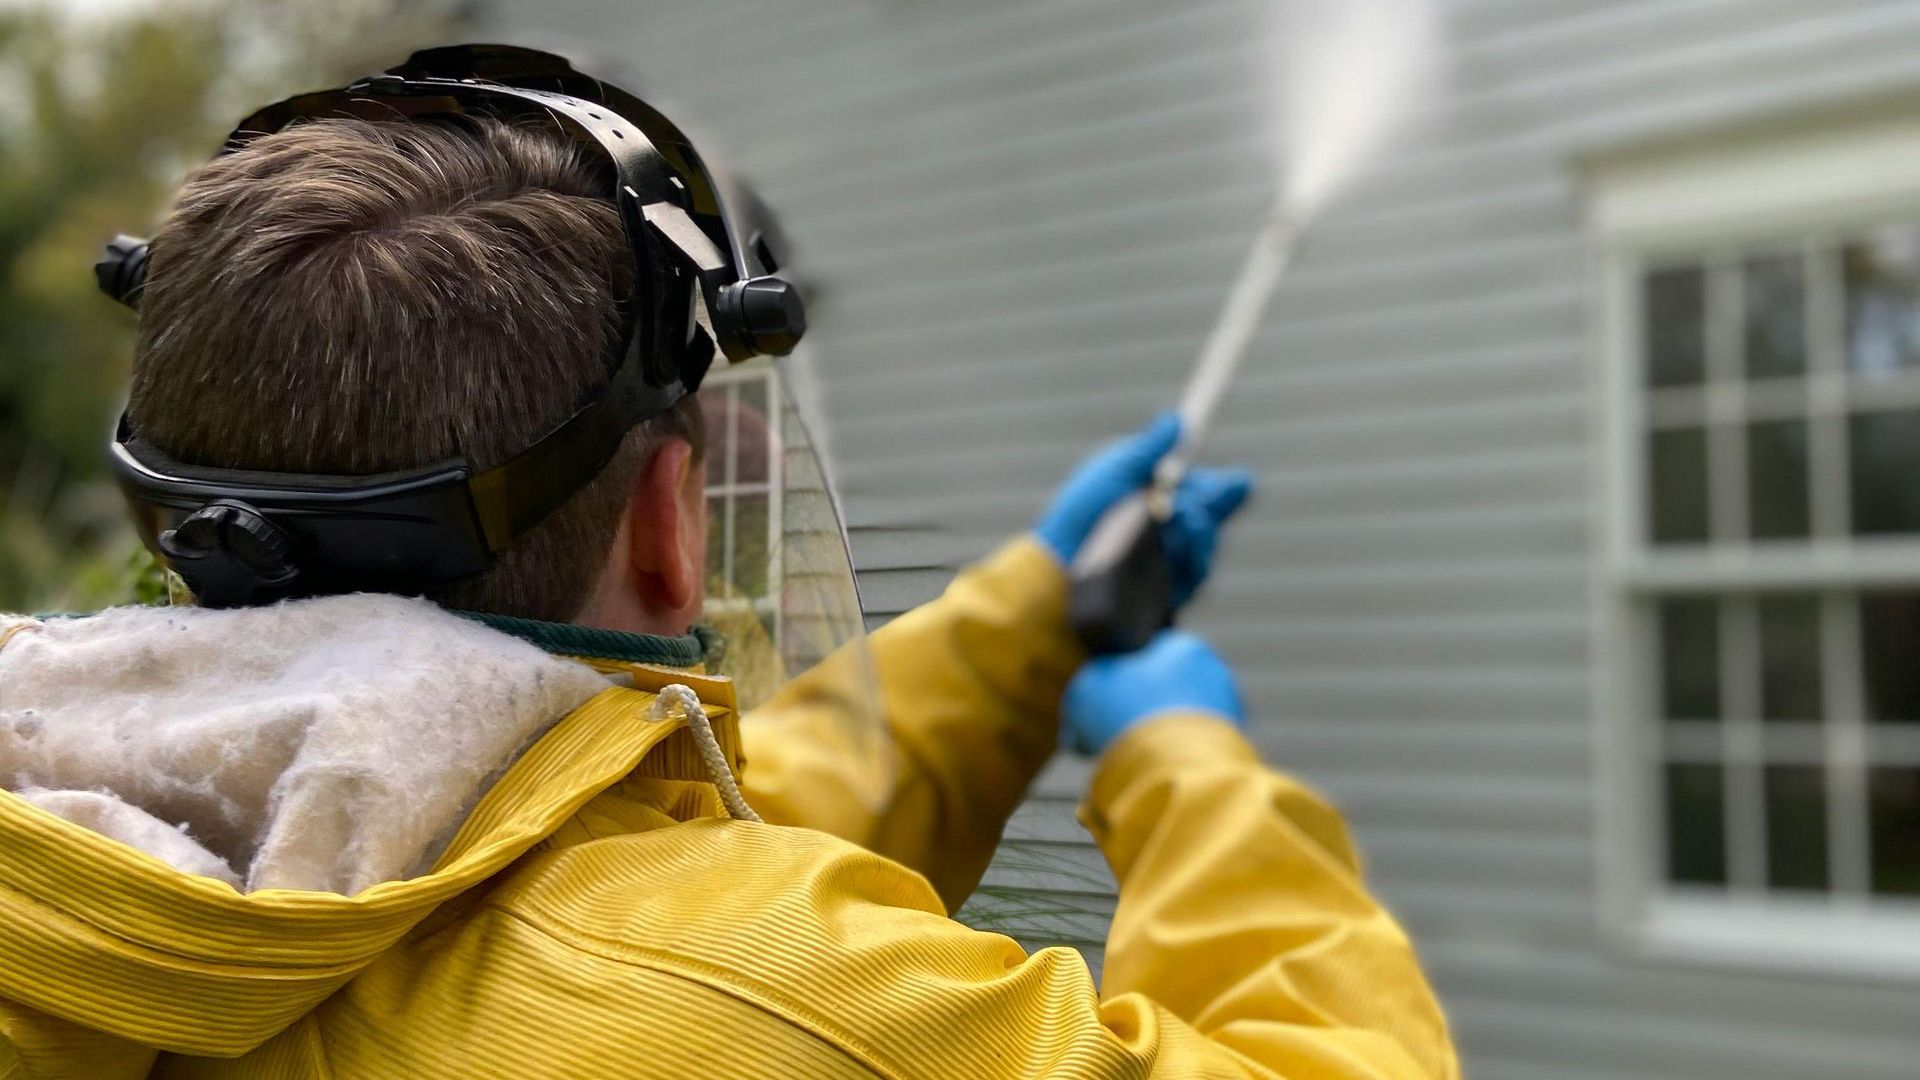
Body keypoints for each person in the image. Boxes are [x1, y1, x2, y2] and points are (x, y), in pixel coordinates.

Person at [0, 48, 1457, 1079]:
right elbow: (704, 952)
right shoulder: (778, 1022)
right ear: (669, 523)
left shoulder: (112, 862)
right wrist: (1186, 761)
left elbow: (604, 867)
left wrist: (1028, 628)